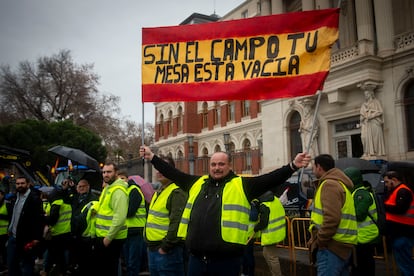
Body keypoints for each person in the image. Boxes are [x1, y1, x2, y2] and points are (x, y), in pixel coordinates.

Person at [140, 145, 310, 276]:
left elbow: (270, 179)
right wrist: (152, 157)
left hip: (226, 261)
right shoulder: (196, 183)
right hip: (196, 260)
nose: (217, 168)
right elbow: (173, 172)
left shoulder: (242, 185)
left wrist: (293, 166)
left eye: (221, 164)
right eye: (213, 164)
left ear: (229, 166)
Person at [307, 154, 357, 276]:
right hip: (341, 247)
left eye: (314, 167)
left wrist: (320, 241)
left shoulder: (329, 184)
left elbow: (332, 218)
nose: (313, 170)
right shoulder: (340, 184)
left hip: (331, 248)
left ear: (319, 167)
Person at [145, 156, 188, 276]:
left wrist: (165, 247)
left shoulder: (176, 192)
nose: (160, 172)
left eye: (163, 168)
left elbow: (177, 223)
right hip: (154, 249)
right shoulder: (159, 192)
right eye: (157, 168)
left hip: (168, 252)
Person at [93, 162, 128, 276]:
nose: (105, 175)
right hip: (103, 236)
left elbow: (120, 217)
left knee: (109, 270)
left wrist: (108, 239)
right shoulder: (108, 188)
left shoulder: (118, 191)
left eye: (109, 172)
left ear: (116, 173)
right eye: (103, 172)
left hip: (111, 238)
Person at [344, 167, 379, 276]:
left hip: (365, 237)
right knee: (360, 266)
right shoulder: (355, 193)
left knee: (364, 267)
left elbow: (359, 214)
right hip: (361, 237)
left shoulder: (361, 194)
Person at [7, 176, 44, 276]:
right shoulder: (14, 198)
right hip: (13, 237)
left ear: (28, 184)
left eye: (22, 183)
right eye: (18, 184)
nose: (20, 185)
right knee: (12, 265)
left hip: (26, 239)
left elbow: (38, 220)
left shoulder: (34, 199)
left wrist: (36, 238)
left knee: (26, 266)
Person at [383, 171, 414, 275]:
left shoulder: (403, 191)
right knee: (403, 263)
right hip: (399, 233)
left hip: (403, 234)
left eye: (387, 182)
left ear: (394, 180)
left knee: (405, 264)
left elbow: (400, 209)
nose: (386, 185)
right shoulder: (396, 191)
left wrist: (384, 207)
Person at [251, 190, 286, 276]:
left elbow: (263, 222)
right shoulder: (276, 200)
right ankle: (274, 273)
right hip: (278, 233)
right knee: (266, 254)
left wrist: (256, 228)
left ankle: (277, 274)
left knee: (272, 257)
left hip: (271, 235)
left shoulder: (264, 206)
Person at [119, 171, 147, 276]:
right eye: (118, 179)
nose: (120, 181)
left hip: (136, 230)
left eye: (122, 178)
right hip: (126, 230)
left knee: (132, 263)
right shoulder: (124, 191)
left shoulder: (134, 190)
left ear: (127, 179)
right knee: (127, 262)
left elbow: (130, 211)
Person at [70, 179, 98, 274]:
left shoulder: (93, 199)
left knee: (87, 263)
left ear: (88, 187)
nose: (81, 188)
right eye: (79, 186)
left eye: (83, 186)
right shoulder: (75, 198)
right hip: (75, 233)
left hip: (87, 235)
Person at [44, 188, 72, 275]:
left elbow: (52, 220)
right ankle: (64, 270)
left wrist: (44, 217)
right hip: (67, 232)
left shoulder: (56, 203)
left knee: (57, 255)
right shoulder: (67, 203)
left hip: (58, 233)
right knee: (65, 253)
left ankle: (50, 270)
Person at [360, 89, 386, 158]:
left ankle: (376, 153)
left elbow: (380, 111)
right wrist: (364, 117)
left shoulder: (376, 102)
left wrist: (371, 115)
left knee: (375, 138)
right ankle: (369, 152)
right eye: (365, 95)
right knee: (366, 138)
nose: (366, 96)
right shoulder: (364, 104)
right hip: (367, 123)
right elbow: (362, 115)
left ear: (371, 94)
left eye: (367, 94)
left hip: (375, 122)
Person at [0, 189, 10, 273]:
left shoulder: (7, 204)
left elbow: (11, 217)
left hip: (5, 233)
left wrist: (1, 216)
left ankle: (6, 266)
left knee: (4, 252)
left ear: (2, 195)